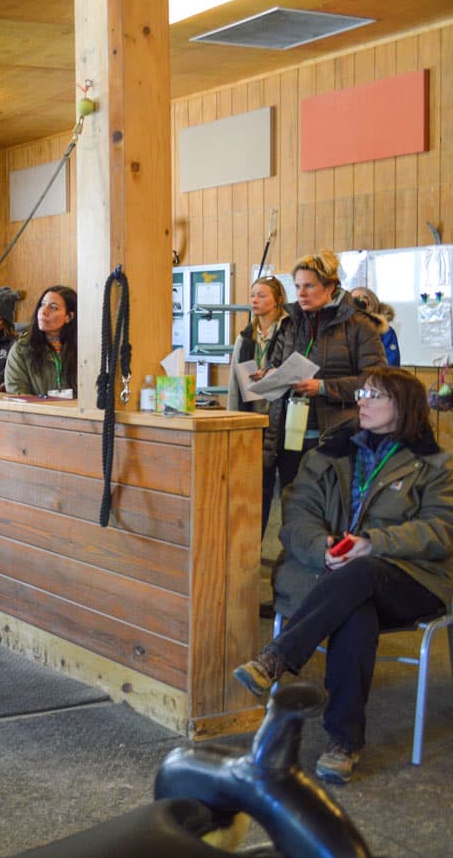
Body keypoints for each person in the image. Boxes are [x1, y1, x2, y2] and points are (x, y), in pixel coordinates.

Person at [233, 367, 452, 784]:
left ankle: (277, 657)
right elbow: (296, 515)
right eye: (362, 394)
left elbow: (442, 530)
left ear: (403, 407)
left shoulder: (435, 464)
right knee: (355, 608)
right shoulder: (329, 453)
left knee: (364, 572)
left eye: (375, 395)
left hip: (410, 578)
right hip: (331, 576)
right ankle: (344, 743)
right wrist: (324, 550)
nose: (362, 402)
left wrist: (374, 542)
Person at [265, 251, 385, 501]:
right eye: (297, 286)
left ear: (330, 286)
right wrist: (270, 374)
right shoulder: (290, 323)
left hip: (336, 437)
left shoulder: (359, 325)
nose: (301, 293)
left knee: (331, 513)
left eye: (309, 285)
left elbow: (376, 381)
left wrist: (323, 387)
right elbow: (275, 363)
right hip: (289, 434)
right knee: (293, 510)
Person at [227, 276, 290, 535]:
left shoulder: (289, 333)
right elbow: (234, 384)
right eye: (252, 294)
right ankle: (252, 546)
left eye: (262, 295)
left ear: (278, 300)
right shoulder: (246, 338)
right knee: (256, 491)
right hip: (253, 422)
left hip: (284, 421)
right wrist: (234, 422)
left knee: (288, 491)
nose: (255, 300)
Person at [4, 285, 78, 397]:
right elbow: (17, 391)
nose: (44, 311)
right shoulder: (22, 348)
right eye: (42, 305)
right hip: (35, 413)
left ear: (69, 316)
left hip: (75, 413)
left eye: (53, 307)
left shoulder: (83, 348)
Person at [349, 286, 400, 366]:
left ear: (372, 305)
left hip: (376, 376)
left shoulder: (385, 331)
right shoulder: (343, 331)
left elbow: (391, 365)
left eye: (361, 300)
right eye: (353, 301)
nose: (357, 306)